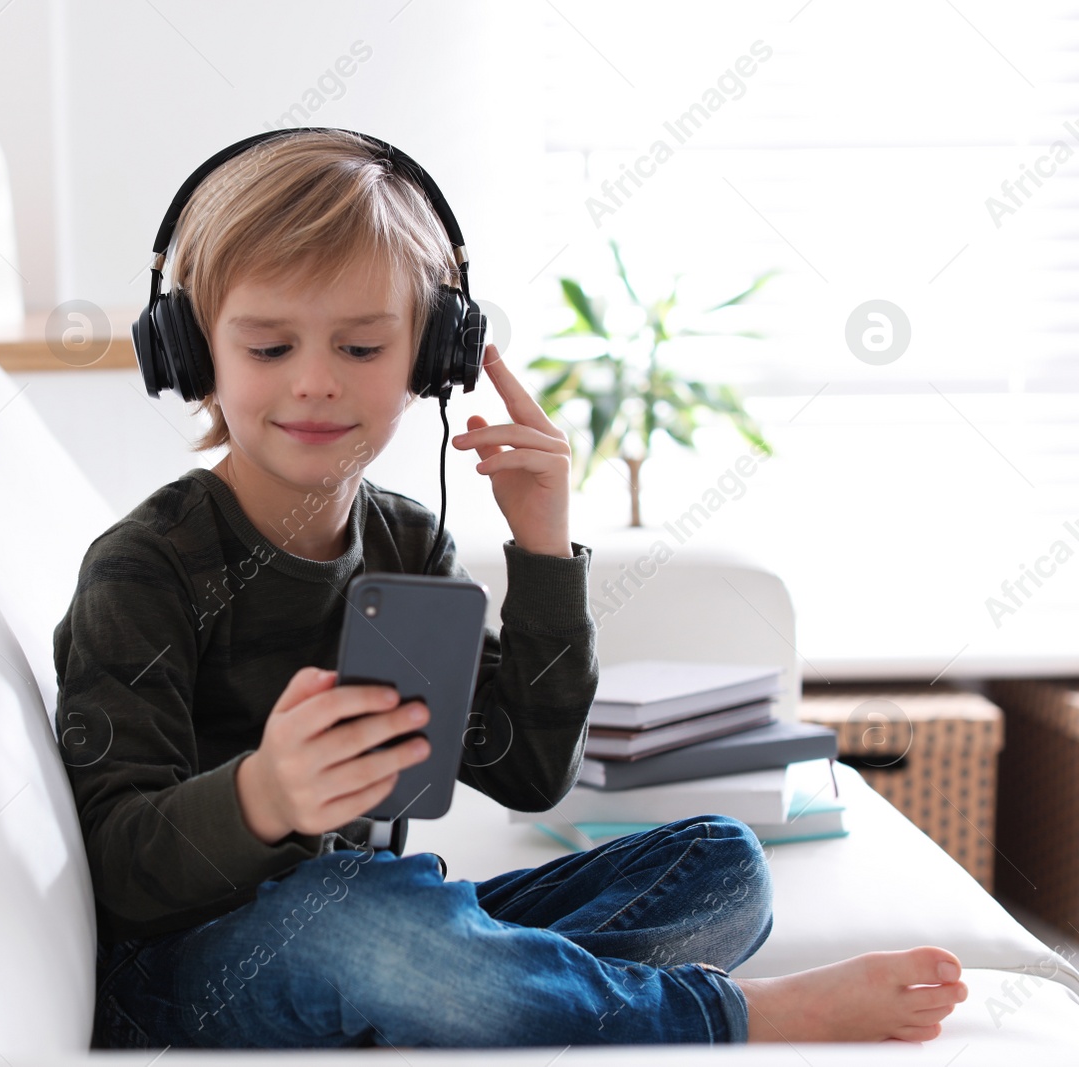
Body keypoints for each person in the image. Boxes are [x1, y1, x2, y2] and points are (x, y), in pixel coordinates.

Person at [51, 128, 968, 1048]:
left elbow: (529, 771)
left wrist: (541, 547)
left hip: (375, 917)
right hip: (190, 963)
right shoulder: (146, 567)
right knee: (369, 925)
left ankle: (466, 986)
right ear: (194, 351)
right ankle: (712, 1012)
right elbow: (121, 871)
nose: (317, 382)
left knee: (721, 864)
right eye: (271, 347)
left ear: (431, 357)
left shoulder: (407, 540)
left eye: (363, 348)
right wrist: (265, 796)